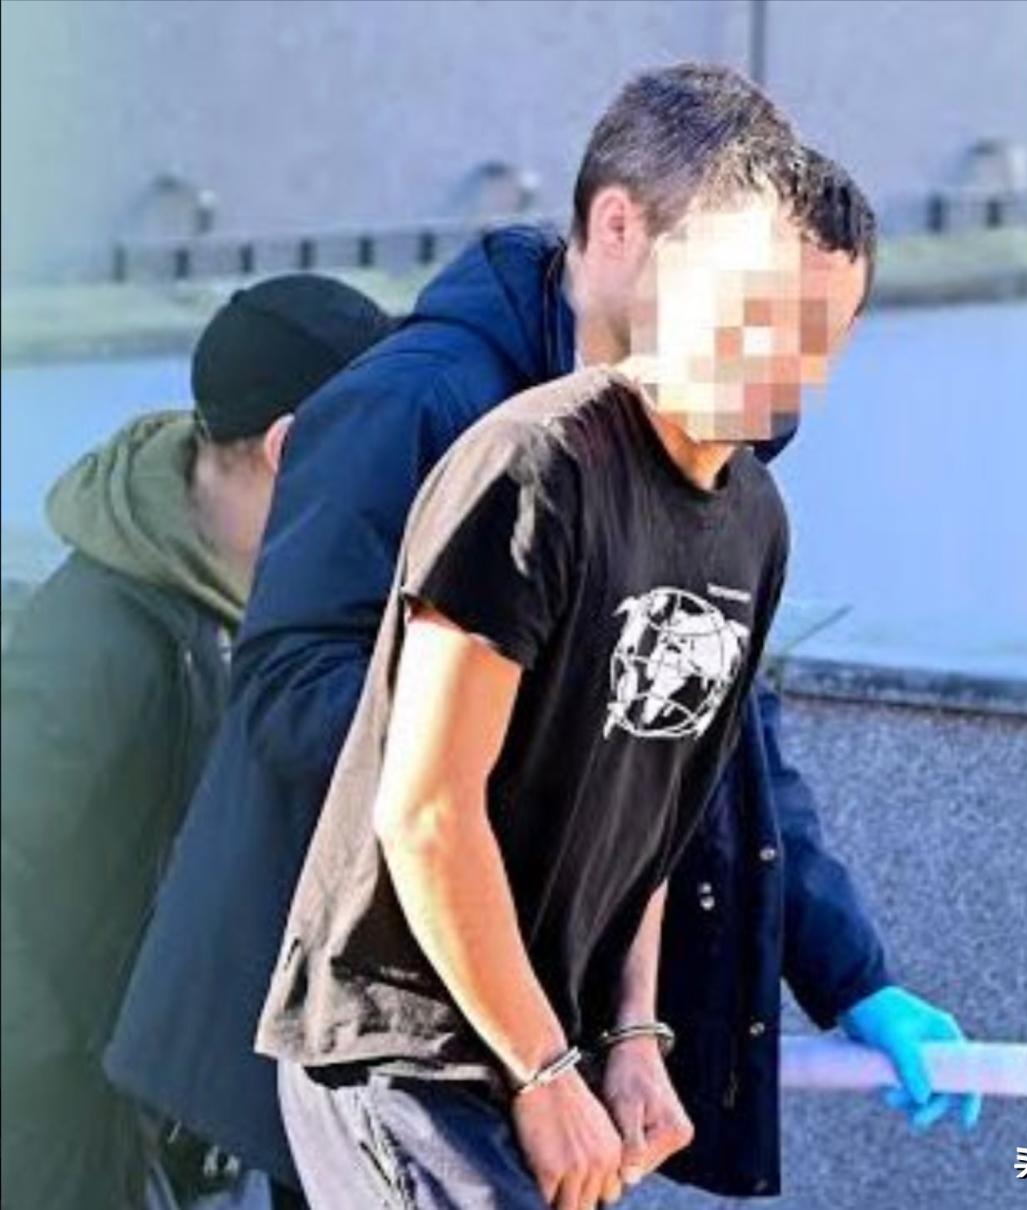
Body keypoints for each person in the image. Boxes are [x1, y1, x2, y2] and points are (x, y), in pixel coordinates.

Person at [107, 64, 979, 1205]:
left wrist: (848, 975)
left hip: (530, 1009)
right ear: (622, 228)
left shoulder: (728, 465)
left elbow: (705, 743)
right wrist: (502, 750)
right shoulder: (432, 404)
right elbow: (288, 690)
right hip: (362, 1010)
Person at [260, 172, 815, 1210]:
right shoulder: (497, 439)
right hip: (404, 1031)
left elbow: (661, 789)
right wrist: (508, 749)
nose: (785, 366)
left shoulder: (745, 513)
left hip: (541, 1031)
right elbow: (344, 732)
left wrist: (634, 1030)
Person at [0, 274, 392, 1210]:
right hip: (95, 1136)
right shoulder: (99, 637)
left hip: (219, 1117)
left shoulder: (291, 605)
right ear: (290, 447)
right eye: (378, 454)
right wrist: (56, 1092)